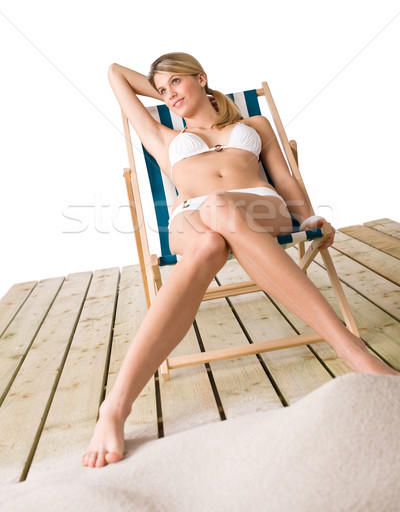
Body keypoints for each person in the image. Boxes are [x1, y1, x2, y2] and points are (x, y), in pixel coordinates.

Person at [82, 52, 399, 468]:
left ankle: (351, 351)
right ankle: (115, 408)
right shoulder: (160, 136)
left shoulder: (254, 126)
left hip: (259, 207)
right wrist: (169, 91)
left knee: (220, 207)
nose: (168, 95)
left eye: (176, 83)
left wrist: (307, 218)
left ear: (201, 77)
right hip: (193, 215)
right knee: (210, 242)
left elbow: (283, 178)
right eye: (161, 90)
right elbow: (115, 74)